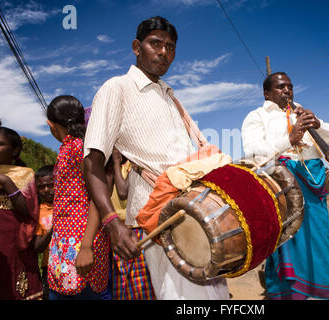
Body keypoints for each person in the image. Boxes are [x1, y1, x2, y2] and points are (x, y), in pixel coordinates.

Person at [83, 16, 228, 300]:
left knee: (214, 297)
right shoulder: (117, 88)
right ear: (137, 47)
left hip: (196, 212)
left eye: (170, 47)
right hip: (160, 219)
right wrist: (112, 222)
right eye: (155, 44)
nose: (164, 52)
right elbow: (92, 163)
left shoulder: (170, 96)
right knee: (181, 297)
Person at [241, 72, 329, 300]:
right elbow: (253, 152)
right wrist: (290, 138)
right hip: (281, 186)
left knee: (319, 242)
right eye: (280, 87)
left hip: (313, 185)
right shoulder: (257, 116)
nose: (287, 90)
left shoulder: (303, 112)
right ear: (267, 93)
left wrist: (317, 123)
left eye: (289, 86)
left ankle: (318, 293)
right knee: (286, 240)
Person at [46, 95, 110, 300]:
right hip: (65, 246)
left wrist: (86, 246)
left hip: (83, 244)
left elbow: (99, 197)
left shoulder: (78, 148)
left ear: (51, 125)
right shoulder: (68, 148)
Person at [0, 126, 43, 300]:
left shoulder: (24, 174)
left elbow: (26, 210)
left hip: (14, 243)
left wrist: (5, 181)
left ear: (15, 149)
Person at [34, 164, 55, 300]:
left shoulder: (71, 205)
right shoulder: (38, 212)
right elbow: (37, 247)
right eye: (41, 187)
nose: (46, 190)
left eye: (50, 185)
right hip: (49, 268)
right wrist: (52, 229)